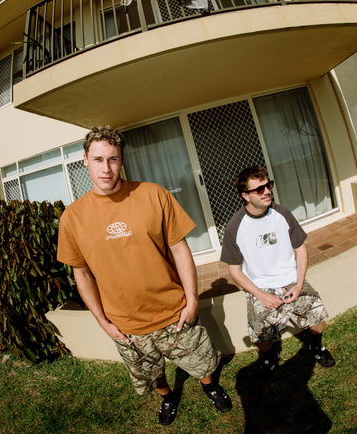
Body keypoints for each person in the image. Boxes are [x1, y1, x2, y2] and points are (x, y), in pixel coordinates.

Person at [57, 125, 232, 426]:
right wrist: (103, 321)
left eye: (112, 159)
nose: (106, 168)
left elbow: (179, 249)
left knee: (202, 364)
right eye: (98, 159)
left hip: (173, 312)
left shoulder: (153, 195)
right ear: (84, 160)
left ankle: (210, 387)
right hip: (126, 326)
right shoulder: (72, 217)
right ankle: (169, 397)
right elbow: (81, 273)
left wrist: (191, 300)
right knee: (152, 377)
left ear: (122, 160)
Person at [221, 166, 335, 384]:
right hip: (261, 287)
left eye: (268, 185)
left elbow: (300, 249)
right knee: (261, 336)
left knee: (317, 317)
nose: (267, 191)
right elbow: (234, 271)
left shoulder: (281, 213)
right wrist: (262, 296)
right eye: (259, 189)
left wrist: (299, 283)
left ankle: (316, 346)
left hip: (291, 280)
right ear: (245, 195)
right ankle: (271, 357)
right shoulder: (235, 226)